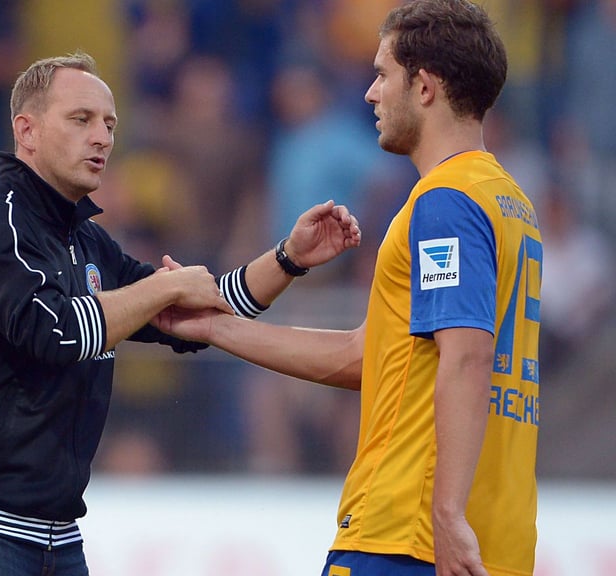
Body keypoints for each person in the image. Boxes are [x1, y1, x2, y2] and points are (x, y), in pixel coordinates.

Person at [0, 51, 360, 576]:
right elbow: (55, 332)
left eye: (110, 124)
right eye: (81, 119)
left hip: (55, 535)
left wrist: (288, 258)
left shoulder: (87, 242)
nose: (103, 138)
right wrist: (164, 289)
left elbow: (196, 311)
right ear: (27, 129)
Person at [156, 1, 541, 575]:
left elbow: (467, 355)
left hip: (408, 535)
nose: (370, 93)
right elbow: (368, 358)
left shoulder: (446, 203)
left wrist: (446, 514)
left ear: (426, 87)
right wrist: (215, 327)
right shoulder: (510, 204)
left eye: (383, 74)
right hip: (497, 541)